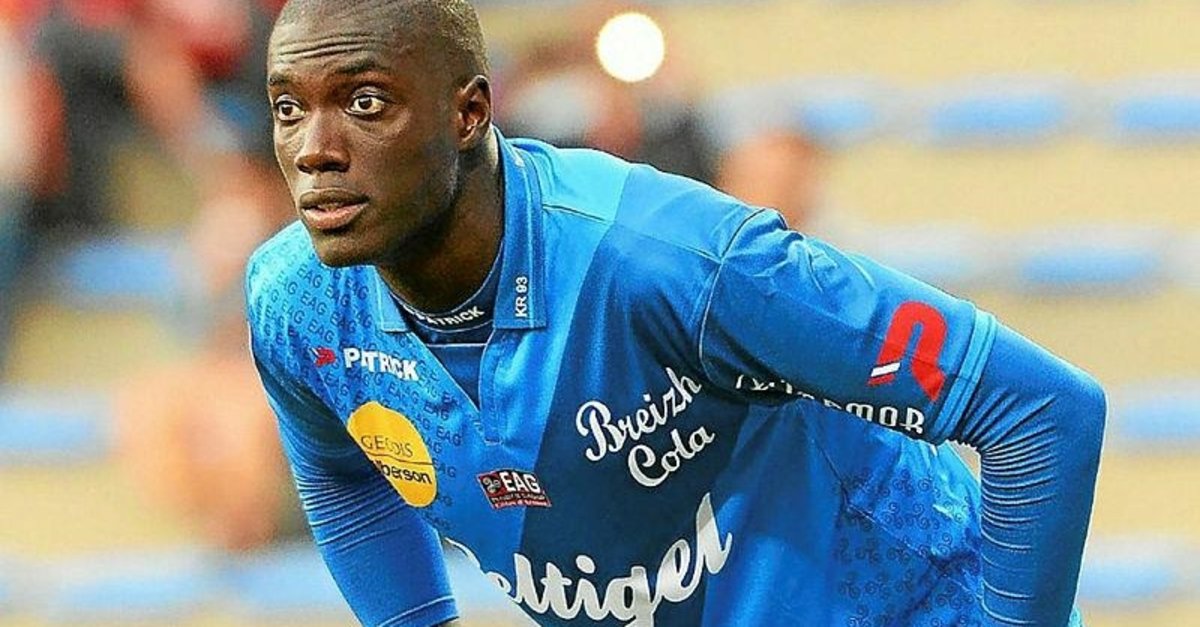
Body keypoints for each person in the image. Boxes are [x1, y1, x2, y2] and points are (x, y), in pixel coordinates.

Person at [245, 1, 1106, 625]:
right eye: (289, 107)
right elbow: (342, 475)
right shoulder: (299, 307)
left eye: (365, 103)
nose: (314, 149)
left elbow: (1040, 410)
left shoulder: (674, 262)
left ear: (469, 112)